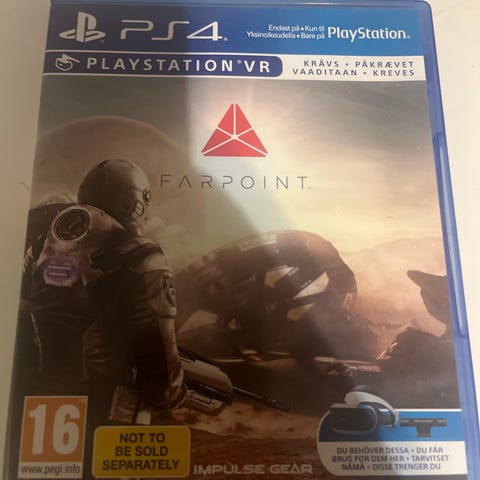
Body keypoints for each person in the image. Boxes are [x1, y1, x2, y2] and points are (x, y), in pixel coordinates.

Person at [22, 159, 186, 420]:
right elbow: (157, 357)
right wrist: (172, 394)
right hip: (102, 410)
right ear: (136, 202)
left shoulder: (38, 244)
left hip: (37, 404)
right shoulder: (141, 253)